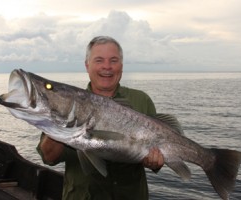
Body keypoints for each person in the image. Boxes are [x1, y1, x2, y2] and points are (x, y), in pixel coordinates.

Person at [37, 36, 164, 200]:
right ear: (87, 65)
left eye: (113, 60)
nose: (107, 67)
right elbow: (49, 157)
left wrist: (154, 162)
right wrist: (60, 119)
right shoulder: (67, 102)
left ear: (122, 66)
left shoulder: (141, 100)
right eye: (99, 60)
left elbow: (156, 156)